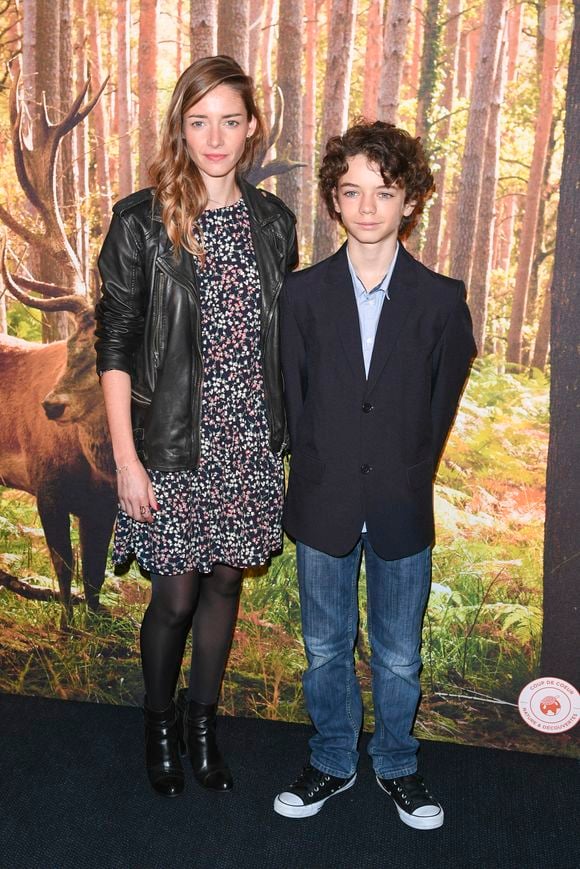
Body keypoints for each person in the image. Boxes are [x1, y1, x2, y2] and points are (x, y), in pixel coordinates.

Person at [94, 55, 297, 799]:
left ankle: (203, 724)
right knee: (174, 597)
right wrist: (126, 458)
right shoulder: (141, 221)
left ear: (252, 129)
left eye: (230, 120)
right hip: (171, 446)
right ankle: (157, 720)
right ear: (181, 127)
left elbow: (283, 342)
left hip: (247, 440)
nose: (216, 136)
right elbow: (114, 342)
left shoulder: (275, 224)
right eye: (199, 120)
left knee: (222, 590)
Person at [275, 121, 476, 828]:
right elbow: (292, 402)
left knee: (397, 655)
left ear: (410, 200)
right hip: (321, 504)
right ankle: (332, 759)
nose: (367, 207)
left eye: (383, 192)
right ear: (333, 198)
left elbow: (438, 407)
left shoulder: (442, 300)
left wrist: (401, 465)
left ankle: (397, 764)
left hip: (399, 505)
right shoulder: (299, 298)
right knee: (325, 644)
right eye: (352, 191)